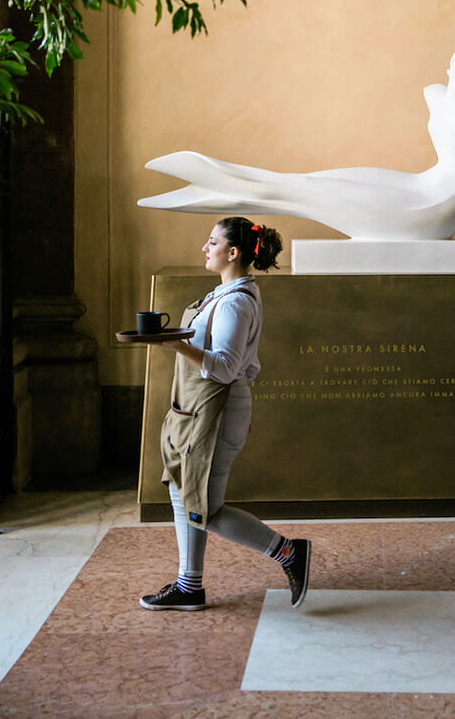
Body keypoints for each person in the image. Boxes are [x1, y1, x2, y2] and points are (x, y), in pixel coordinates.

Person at [139, 216, 311, 612]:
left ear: (233, 253)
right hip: (198, 410)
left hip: (217, 412)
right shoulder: (224, 294)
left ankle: (287, 552)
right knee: (185, 495)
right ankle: (189, 586)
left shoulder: (235, 302)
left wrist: (172, 344)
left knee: (205, 508)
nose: (205, 247)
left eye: (213, 242)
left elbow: (225, 367)